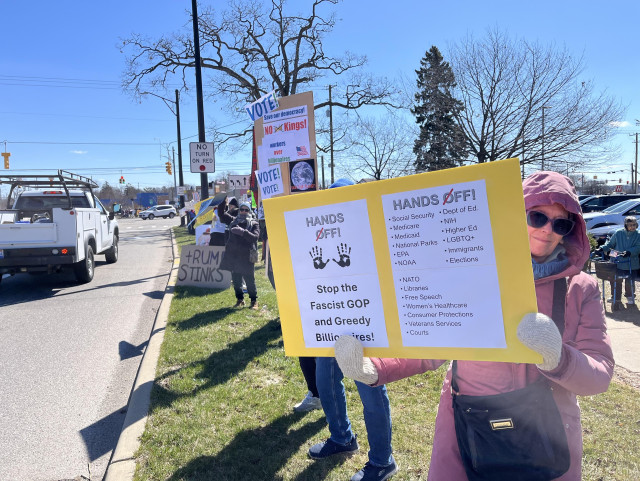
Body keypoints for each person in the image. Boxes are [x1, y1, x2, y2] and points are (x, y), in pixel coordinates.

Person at [333, 171, 614, 481]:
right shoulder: (473, 271)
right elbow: (434, 341)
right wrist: (374, 368)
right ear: (515, 213)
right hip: (466, 426)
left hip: (546, 438)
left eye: (561, 223)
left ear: (570, 231)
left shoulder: (581, 288)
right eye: (537, 216)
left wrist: (559, 359)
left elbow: (599, 374)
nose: (547, 230)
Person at [308, 179, 397, 481]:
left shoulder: (372, 228)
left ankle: (383, 461)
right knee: (324, 377)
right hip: (329, 321)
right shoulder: (318, 234)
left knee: (369, 385)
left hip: (365, 325)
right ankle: (342, 438)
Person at [218, 200, 260, 309]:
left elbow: (255, 237)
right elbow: (222, 215)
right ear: (239, 210)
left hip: (247, 256)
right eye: (242, 209)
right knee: (236, 280)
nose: (244, 211)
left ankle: (254, 301)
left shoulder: (254, 223)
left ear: (249, 211)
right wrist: (222, 200)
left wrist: (242, 232)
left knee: (249, 280)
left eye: (246, 210)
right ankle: (240, 299)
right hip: (234, 256)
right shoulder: (233, 220)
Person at [598, 215, 640, 306]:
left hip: (631, 262)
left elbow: (638, 247)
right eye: (630, 225)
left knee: (629, 281)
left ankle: (630, 296)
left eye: (634, 224)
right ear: (625, 225)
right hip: (617, 261)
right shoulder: (618, 233)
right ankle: (616, 297)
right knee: (615, 280)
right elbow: (610, 244)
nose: (632, 227)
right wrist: (602, 248)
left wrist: (629, 252)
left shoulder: (638, 235)